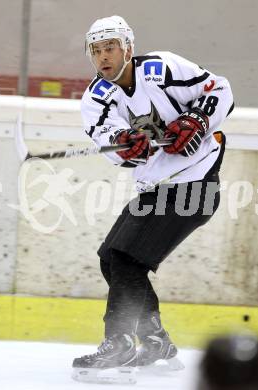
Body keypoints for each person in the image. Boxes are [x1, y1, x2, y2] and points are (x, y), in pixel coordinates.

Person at [72, 15, 234, 383]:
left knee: (126, 260)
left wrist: (196, 119)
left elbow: (219, 89)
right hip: (155, 189)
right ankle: (155, 342)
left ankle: (119, 344)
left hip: (196, 182)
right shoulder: (97, 98)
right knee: (110, 259)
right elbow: (111, 147)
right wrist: (130, 147)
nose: (103, 57)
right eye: (96, 51)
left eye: (110, 47)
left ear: (128, 46)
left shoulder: (163, 68)